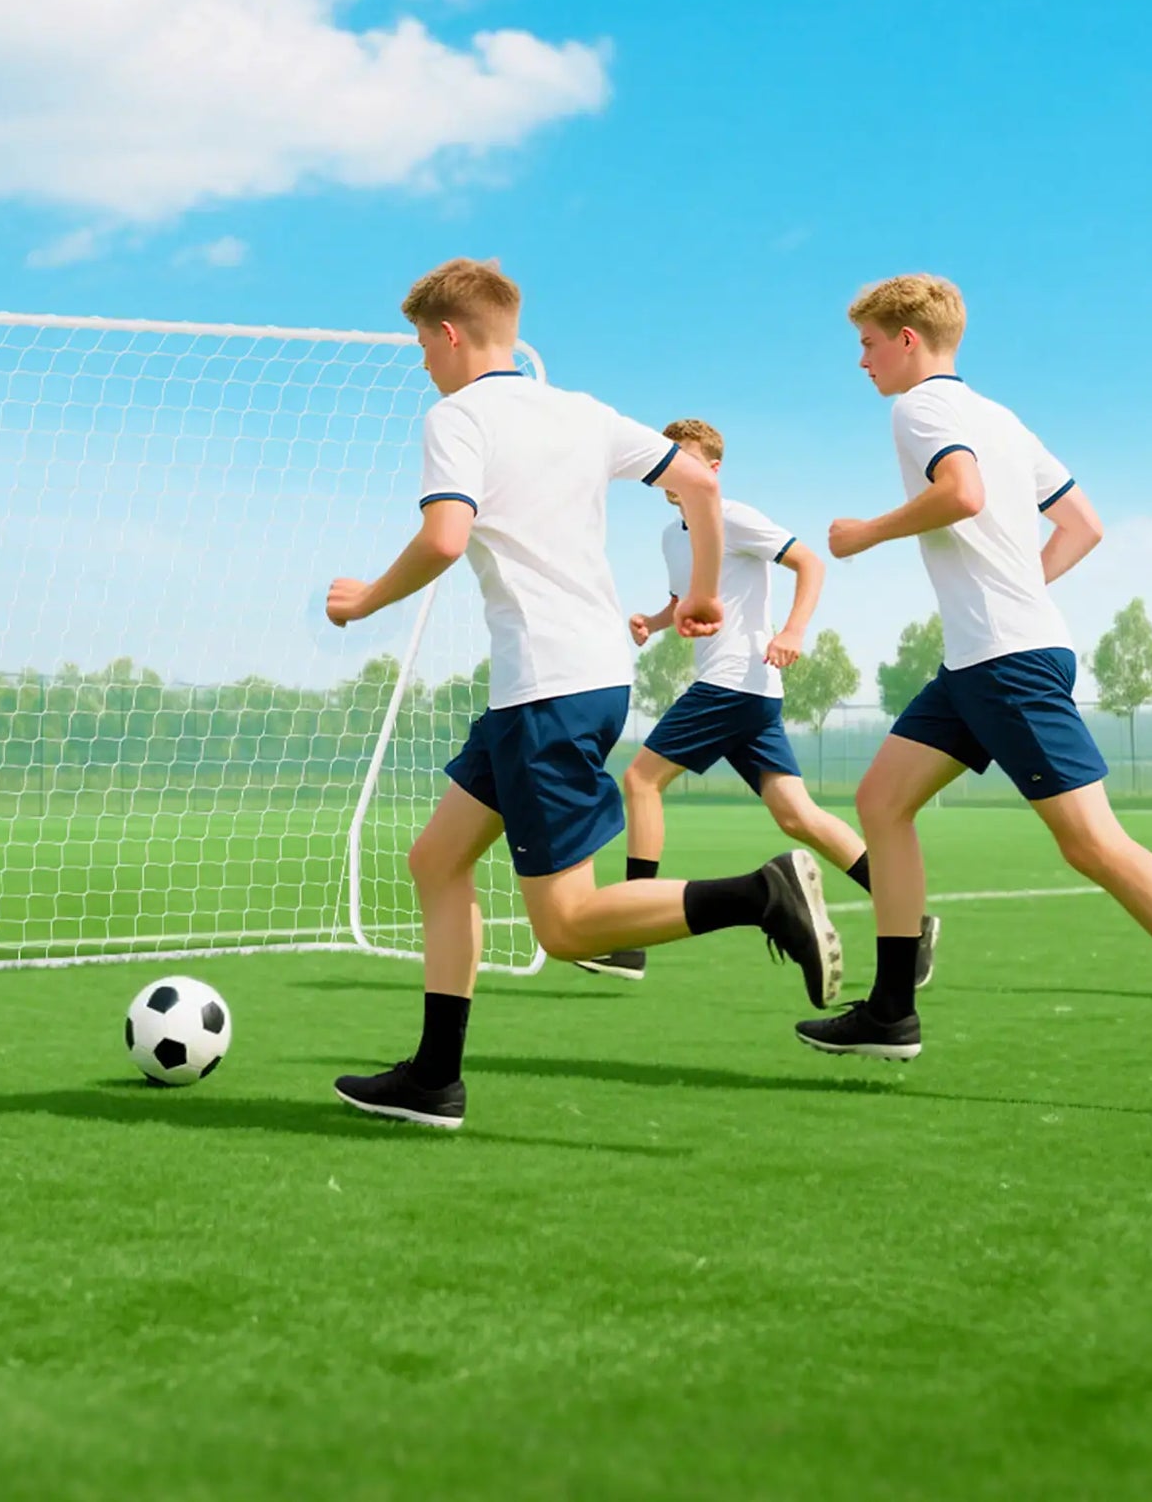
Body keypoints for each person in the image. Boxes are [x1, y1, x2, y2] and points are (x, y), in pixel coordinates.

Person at [326, 258, 840, 1129]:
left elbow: (446, 539)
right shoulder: (583, 411)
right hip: (580, 676)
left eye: (422, 343)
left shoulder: (455, 418)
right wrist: (706, 590)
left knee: (564, 928)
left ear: (451, 335)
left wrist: (366, 599)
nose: (422, 362)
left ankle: (763, 893)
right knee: (436, 861)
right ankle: (433, 1078)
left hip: (547, 689)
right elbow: (703, 483)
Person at [794, 273, 1152, 1120]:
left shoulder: (917, 410)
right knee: (881, 801)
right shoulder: (1001, 416)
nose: (862, 361)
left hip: (1006, 662)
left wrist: (864, 534)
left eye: (869, 344)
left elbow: (963, 495)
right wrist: (1018, 589)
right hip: (985, 658)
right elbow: (1083, 526)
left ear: (909, 340)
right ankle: (891, 1008)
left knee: (1093, 845)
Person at [578, 416, 891, 1000]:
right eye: (666, 454)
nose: (671, 464)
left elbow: (810, 563)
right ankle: (908, 912)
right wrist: (656, 618)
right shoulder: (674, 534)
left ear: (712, 468)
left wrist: (794, 630)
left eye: (685, 455)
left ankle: (629, 936)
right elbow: (689, 599)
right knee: (797, 815)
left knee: (641, 781)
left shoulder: (734, 516)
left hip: (735, 680)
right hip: (750, 693)